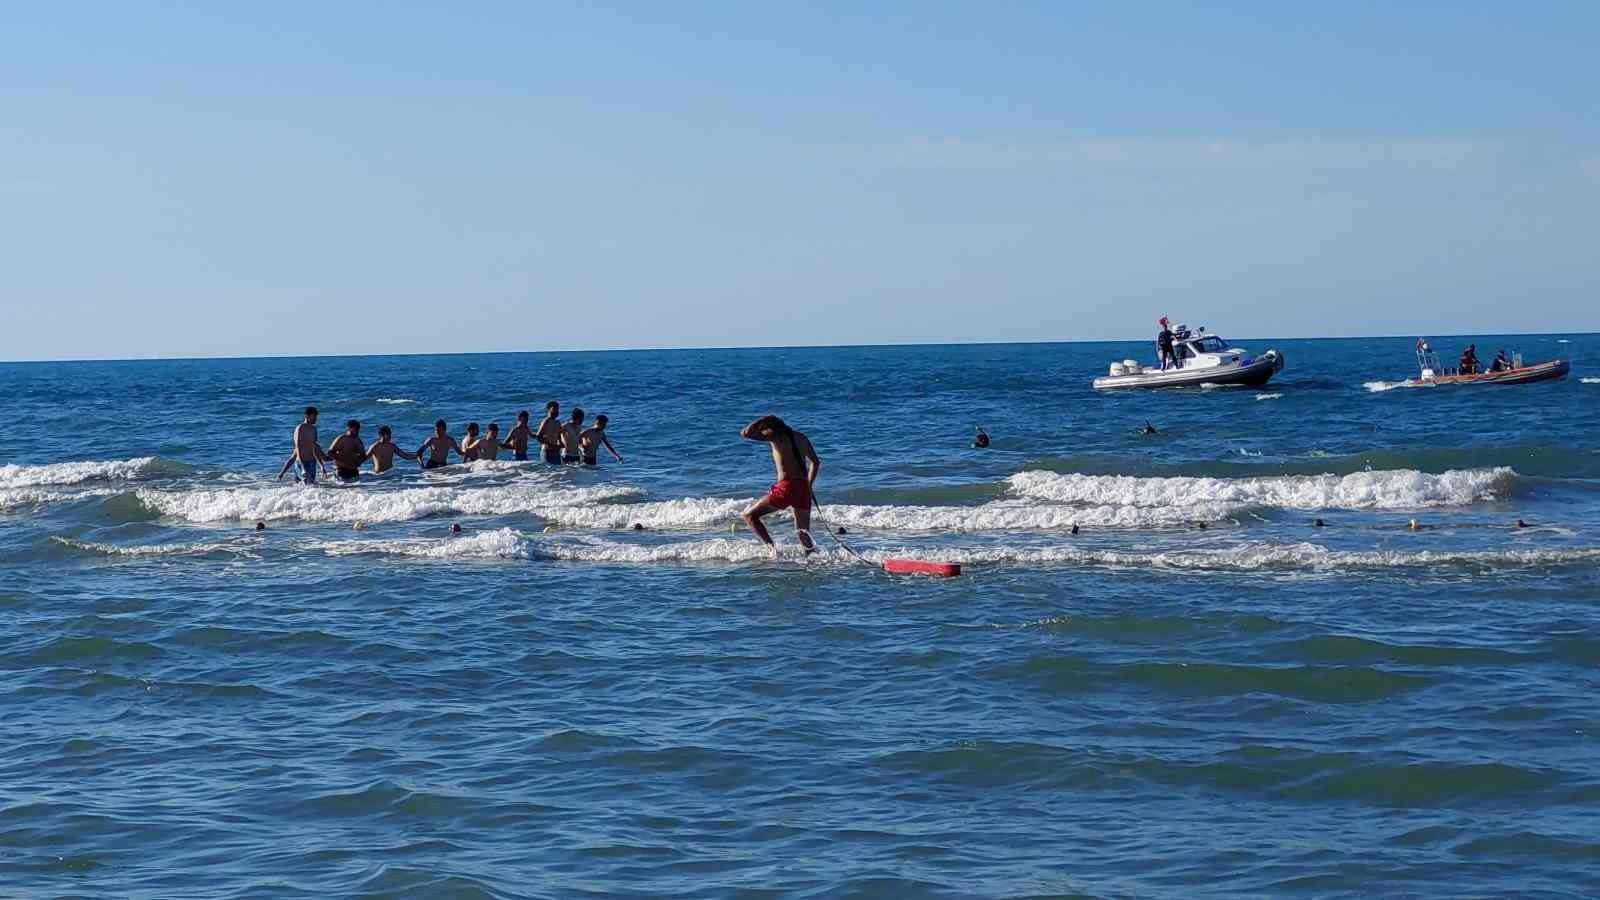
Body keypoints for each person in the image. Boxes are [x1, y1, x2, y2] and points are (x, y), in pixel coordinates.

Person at [739, 414, 821, 557]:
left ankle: (772, 550)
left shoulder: (775, 436)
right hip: (803, 488)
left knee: (749, 516)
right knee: (803, 533)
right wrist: (808, 485)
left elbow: (745, 433)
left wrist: (762, 420)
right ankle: (813, 560)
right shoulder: (801, 437)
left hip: (787, 487)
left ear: (771, 429)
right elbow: (815, 462)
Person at [277, 406, 329, 484]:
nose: (316, 419)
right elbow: (297, 449)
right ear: (307, 416)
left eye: (316, 416)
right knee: (307, 486)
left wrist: (321, 466)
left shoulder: (314, 429)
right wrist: (303, 468)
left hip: (312, 463)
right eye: (314, 416)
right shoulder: (300, 428)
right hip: (301, 463)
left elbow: (314, 448)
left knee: (309, 487)